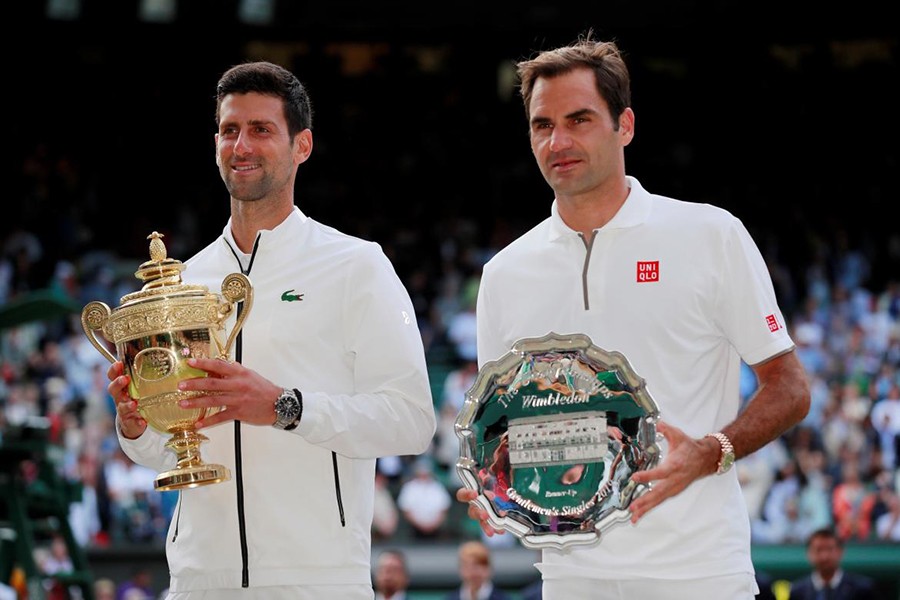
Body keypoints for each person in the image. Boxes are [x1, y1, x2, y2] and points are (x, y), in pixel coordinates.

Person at [455, 32, 811, 600]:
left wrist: (711, 451)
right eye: (542, 125)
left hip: (699, 575)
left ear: (625, 126)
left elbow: (790, 388)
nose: (558, 141)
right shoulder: (504, 273)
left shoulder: (710, 234)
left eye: (579, 120)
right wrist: (492, 486)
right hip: (569, 579)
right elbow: (510, 427)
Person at [107, 61, 436, 598]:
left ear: (302, 145)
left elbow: (412, 421)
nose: (242, 145)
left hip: (317, 581)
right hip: (197, 579)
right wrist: (138, 426)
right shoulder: (185, 281)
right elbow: (167, 453)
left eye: (261, 130)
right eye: (230, 130)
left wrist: (285, 406)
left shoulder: (357, 265)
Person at [788, 527, 880, 599]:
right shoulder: (797, 591)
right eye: (818, 550)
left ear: (840, 552)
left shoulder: (863, 589)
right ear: (809, 554)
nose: (824, 556)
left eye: (830, 549)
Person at [444, 540, 512, 600]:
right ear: (461, 569)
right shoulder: (450, 598)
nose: (474, 572)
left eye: (480, 565)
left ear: (489, 568)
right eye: (468, 566)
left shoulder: (503, 598)